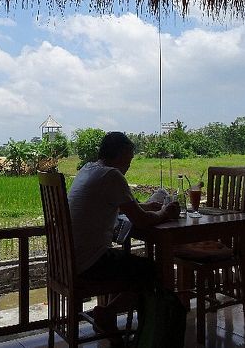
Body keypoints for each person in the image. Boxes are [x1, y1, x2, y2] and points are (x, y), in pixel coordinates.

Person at [67, 131, 180, 335]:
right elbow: (142, 221)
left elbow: (115, 205)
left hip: (68, 261)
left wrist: (144, 205)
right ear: (120, 154)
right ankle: (126, 320)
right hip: (90, 263)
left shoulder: (88, 169)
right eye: (129, 159)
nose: (129, 165)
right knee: (152, 270)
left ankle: (110, 314)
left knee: (134, 265)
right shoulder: (112, 175)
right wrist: (165, 211)